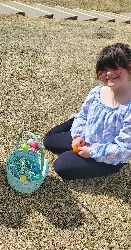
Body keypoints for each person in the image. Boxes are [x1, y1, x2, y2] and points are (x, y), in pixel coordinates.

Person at [43, 43, 131, 180]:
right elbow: (84, 116)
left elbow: (124, 150)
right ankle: (73, 120)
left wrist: (91, 152)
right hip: (88, 134)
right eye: (103, 68)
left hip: (108, 156)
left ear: (129, 68)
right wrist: (78, 136)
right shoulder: (97, 92)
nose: (108, 73)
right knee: (48, 141)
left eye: (115, 67)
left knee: (61, 165)